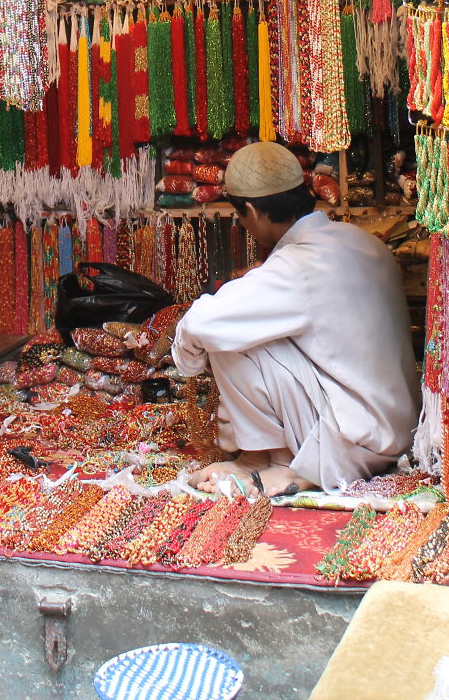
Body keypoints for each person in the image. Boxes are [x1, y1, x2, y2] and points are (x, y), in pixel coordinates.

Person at [172, 142, 420, 497]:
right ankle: (272, 456)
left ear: (251, 212)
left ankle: (267, 460)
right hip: (395, 432)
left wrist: (189, 362)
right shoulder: (366, 242)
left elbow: (200, 323)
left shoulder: (298, 264)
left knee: (225, 337)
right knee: (238, 326)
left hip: (351, 444)